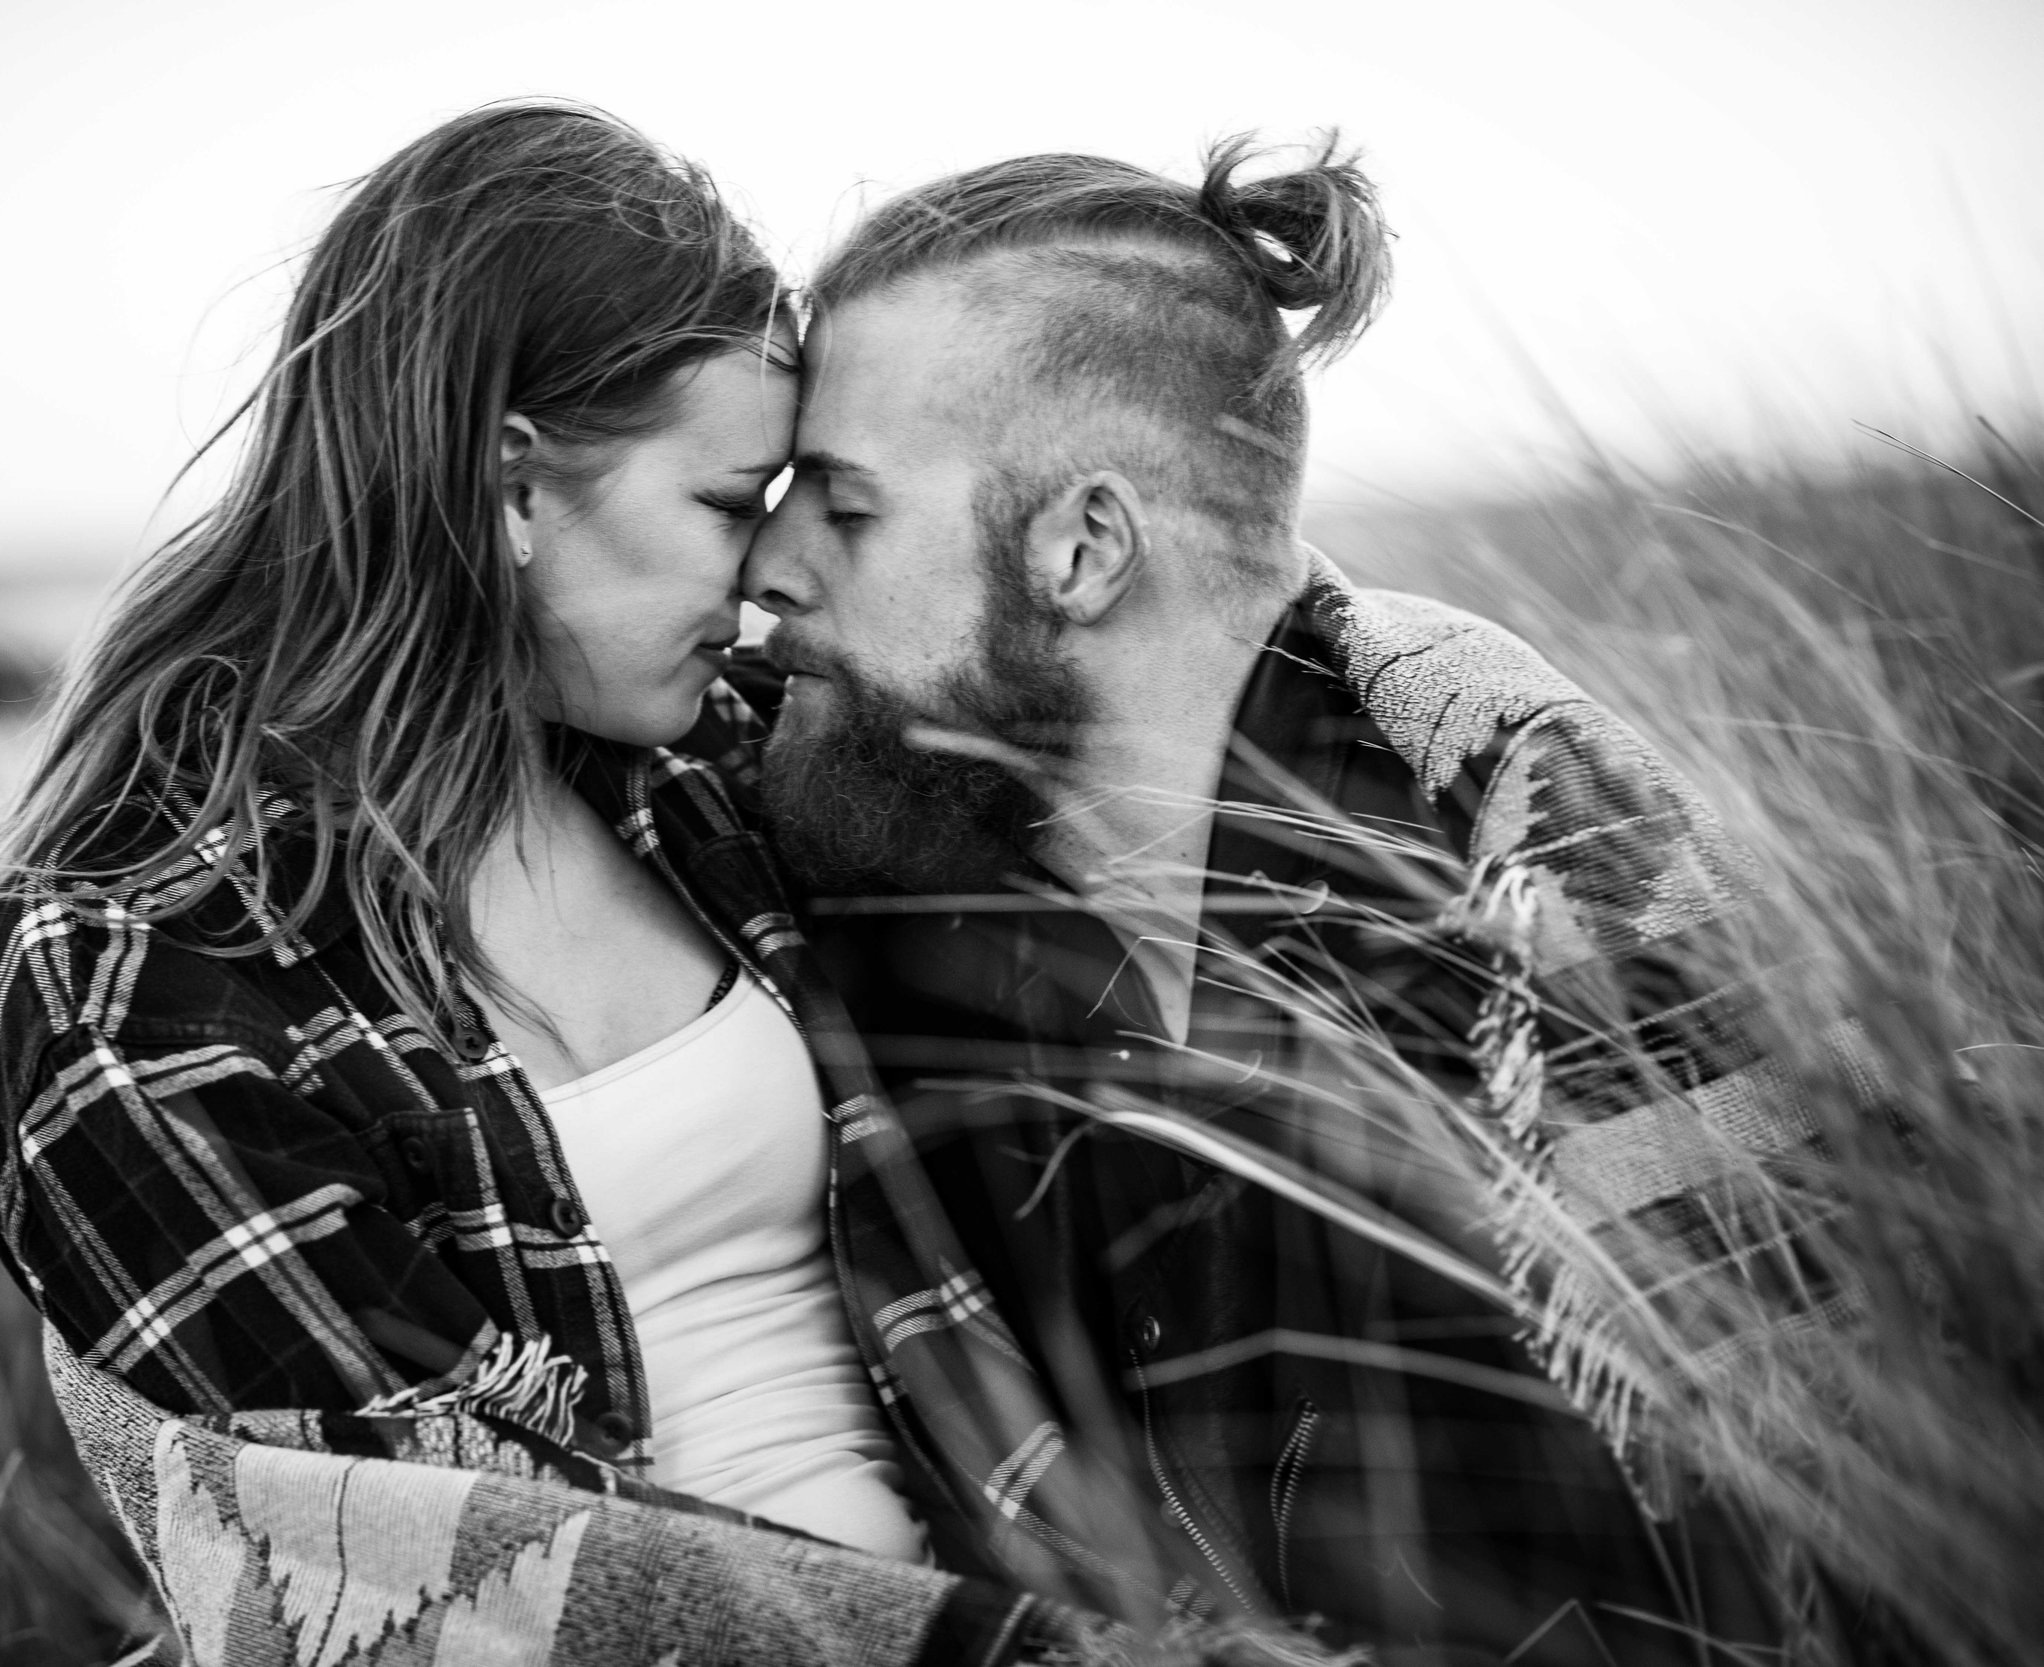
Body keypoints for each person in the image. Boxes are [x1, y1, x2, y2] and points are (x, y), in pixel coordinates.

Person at [0, 104, 1290, 1667]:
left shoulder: (708, 783)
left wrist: (1437, 683)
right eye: (725, 504)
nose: (766, 576)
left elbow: (1144, 711)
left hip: (1038, 1583)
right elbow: (445, 1560)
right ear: (509, 486)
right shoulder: (132, 978)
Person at [735, 139, 1827, 1664]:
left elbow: (1775, 1528)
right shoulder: (861, 857)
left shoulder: (1527, 900)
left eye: (843, 509)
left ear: (1083, 546)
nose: (766, 568)